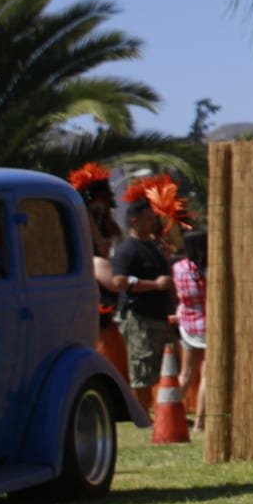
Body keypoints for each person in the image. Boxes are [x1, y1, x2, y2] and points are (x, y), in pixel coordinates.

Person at [111, 199, 177, 410]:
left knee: (159, 367)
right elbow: (119, 281)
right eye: (148, 219)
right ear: (134, 221)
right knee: (141, 367)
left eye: (153, 218)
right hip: (139, 318)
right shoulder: (127, 250)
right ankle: (142, 414)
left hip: (159, 317)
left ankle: (164, 411)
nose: (153, 222)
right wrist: (154, 285)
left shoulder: (152, 245)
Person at [69, 163, 131, 379]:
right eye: (97, 211)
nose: (102, 214)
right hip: (96, 327)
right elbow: (116, 283)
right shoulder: (93, 261)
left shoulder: (100, 258)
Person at [173, 229, 209, 431]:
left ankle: (171, 415)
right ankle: (199, 422)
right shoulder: (207, 271)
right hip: (207, 324)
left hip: (187, 324)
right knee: (206, 373)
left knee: (185, 373)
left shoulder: (178, 268)